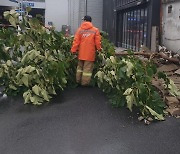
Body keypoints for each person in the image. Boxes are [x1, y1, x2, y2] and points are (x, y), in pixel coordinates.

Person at [71, 15, 102, 86]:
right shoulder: (95, 30)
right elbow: (97, 42)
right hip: (90, 54)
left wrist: (73, 50)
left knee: (79, 68)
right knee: (87, 70)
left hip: (81, 53)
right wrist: (99, 49)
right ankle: (84, 83)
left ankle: (78, 81)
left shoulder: (79, 30)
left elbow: (76, 41)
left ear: (85, 21)